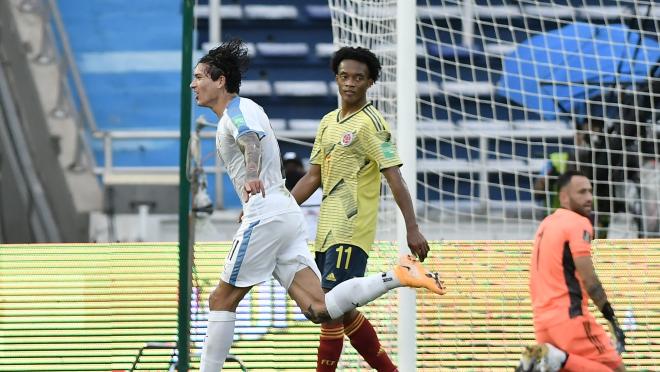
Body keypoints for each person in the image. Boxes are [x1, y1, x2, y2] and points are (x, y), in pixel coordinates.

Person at [189, 39, 446, 371]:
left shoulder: (236, 114)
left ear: (220, 80)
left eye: (199, 77)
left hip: (285, 215)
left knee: (220, 299)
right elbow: (311, 174)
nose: (194, 84)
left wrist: (252, 176)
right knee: (320, 308)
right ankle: (397, 275)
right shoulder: (267, 111)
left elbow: (250, 142)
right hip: (285, 211)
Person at [290, 46, 434, 372]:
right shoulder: (328, 122)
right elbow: (313, 176)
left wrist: (412, 227)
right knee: (343, 310)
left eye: (358, 77)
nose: (350, 83)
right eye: (344, 76)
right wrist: (279, 209)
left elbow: (394, 177)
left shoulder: (373, 125)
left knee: (328, 307)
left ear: (370, 82)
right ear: (336, 78)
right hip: (325, 231)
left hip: (352, 228)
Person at [517, 170, 626, 372]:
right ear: (564, 197)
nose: (589, 198)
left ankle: (555, 358)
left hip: (542, 323)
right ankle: (559, 359)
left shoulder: (546, 224)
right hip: (570, 319)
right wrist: (611, 318)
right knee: (617, 369)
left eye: (590, 192)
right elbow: (589, 279)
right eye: (582, 192)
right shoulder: (579, 223)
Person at [282, 151, 322, 241]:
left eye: (294, 167)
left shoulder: (318, 193)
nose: (291, 170)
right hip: (290, 245)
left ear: (301, 168)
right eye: (287, 167)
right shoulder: (278, 195)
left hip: (315, 243)